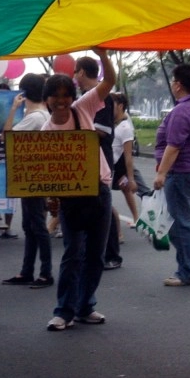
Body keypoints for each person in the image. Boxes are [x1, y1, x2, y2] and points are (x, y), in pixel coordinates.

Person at [44, 48, 116, 331]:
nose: (61, 101)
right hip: (70, 198)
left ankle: (86, 306)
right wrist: (52, 199)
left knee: (96, 255)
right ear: (47, 99)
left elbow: (109, 79)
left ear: (72, 97)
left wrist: (103, 54)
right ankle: (63, 311)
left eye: (65, 95)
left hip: (99, 190)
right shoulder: (45, 134)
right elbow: (46, 172)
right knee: (73, 253)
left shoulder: (84, 107)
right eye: (55, 96)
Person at [154, 63, 190, 287]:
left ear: (178, 85)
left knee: (182, 225)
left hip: (183, 173)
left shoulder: (182, 111)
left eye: (172, 81)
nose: (171, 85)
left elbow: (174, 146)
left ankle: (187, 272)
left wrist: (161, 173)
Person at [0, 72, 53, 288]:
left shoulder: (35, 117)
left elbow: (7, 137)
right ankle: (28, 270)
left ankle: (45, 272)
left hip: (32, 175)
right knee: (31, 225)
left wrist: (13, 109)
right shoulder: (42, 115)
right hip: (32, 174)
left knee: (37, 225)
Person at [76, 56, 122, 269]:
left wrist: (76, 132)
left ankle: (112, 254)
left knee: (103, 206)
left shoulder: (100, 97)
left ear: (82, 72)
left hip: (100, 160)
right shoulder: (85, 97)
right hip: (87, 161)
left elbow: (103, 131)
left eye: (76, 73)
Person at [111, 92, 141, 226]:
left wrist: (131, 179)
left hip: (117, 167)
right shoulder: (114, 123)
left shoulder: (125, 128)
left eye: (112, 105)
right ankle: (136, 218)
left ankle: (134, 220)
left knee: (126, 190)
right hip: (112, 166)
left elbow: (128, 156)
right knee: (126, 191)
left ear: (120, 106)